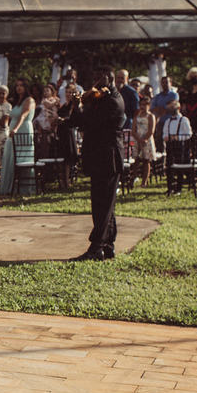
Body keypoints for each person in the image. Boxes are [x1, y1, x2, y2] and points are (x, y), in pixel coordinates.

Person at [65, 79, 125, 260]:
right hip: (98, 159)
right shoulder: (99, 99)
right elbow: (77, 122)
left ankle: (96, 247)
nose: (96, 85)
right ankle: (108, 245)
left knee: (103, 205)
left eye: (100, 79)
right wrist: (76, 106)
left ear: (109, 79)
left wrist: (82, 107)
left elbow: (91, 123)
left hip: (108, 159)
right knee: (102, 203)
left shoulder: (113, 101)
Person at [0, 83, 35, 195]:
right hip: (12, 130)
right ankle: (9, 187)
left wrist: (15, 129)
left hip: (23, 129)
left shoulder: (29, 100)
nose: (19, 87)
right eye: (17, 85)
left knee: (22, 158)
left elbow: (23, 115)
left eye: (21, 85)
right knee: (10, 157)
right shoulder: (16, 101)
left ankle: (25, 188)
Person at [132, 98, 157, 187]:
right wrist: (138, 139)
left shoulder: (150, 116)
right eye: (141, 105)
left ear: (149, 105)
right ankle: (133, 178)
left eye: (145, 105)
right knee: (136, 160)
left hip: (147, 140)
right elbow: (133, 129)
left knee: (146, 160)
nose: (143, 107)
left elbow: (151, 130)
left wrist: (144, 139)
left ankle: (144, 182)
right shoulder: (137, 116)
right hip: (137, 139)